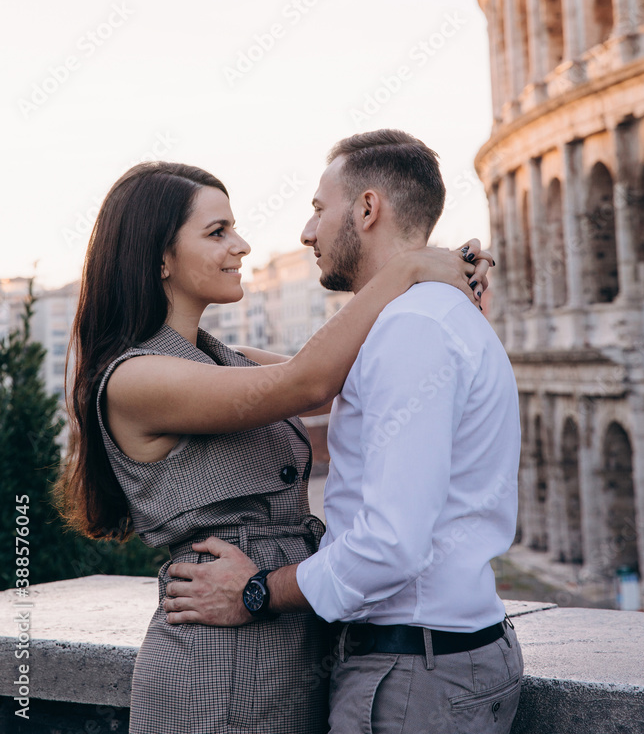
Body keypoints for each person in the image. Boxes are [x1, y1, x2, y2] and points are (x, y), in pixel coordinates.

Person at [57, 157, 491, 734]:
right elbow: (305, 382)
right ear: (159, 257)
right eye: (217, 233)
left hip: (281, 646)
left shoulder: (216, 358)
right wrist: (409, 267)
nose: (242, 245)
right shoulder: (137, 378)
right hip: (211, 674)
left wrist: (457, 298)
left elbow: (352, 374)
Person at [163, 130, 523, 734]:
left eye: (317, 208)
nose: (307, 232)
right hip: (431, 661)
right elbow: (301, 376)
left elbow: (390, 544)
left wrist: (254, 593)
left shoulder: (413, 330)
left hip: (414, 676)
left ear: (367, 208)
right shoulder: (416, 320)